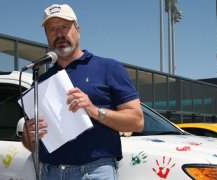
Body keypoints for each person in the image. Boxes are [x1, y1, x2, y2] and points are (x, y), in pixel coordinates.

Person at [21, 3, 144, 180]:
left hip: (94, 172)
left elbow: (137, 121)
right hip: (50, 172)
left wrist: (94, 111)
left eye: (65, 27)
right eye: (52, 29)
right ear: (46, 36)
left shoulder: (109, 68)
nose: (59, 34)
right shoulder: (42, 81)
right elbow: (31, 144)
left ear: (77, 29)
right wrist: (28, 136)